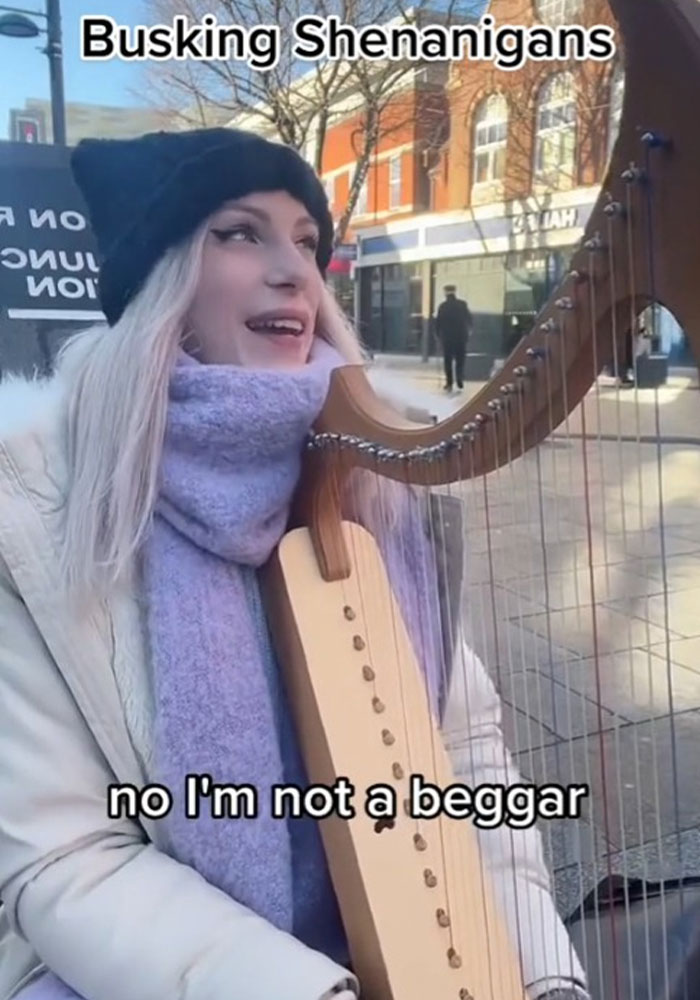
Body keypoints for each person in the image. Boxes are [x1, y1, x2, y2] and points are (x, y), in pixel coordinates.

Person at [0, 127, 589, 1000]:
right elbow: (66, 856)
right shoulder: (39, 510)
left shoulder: (374, 481)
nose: (296, 272)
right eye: (240, 232)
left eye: (308, 242)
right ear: (161, 281)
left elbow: (464, 754)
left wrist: (542, 974)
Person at [435, 283, 472, 392]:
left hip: (447, 338)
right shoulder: (462, 304)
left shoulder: (443, 306)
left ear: (445, 292)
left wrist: (437, 335)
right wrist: (468, 331)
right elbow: (469, 319)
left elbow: (438, 323)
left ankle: (449, 383)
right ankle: (459, 380)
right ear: (455, 292)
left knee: (448, 360)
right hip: (461, 337)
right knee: (460, 359)